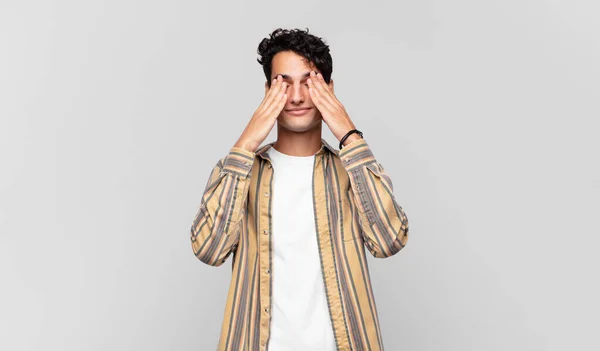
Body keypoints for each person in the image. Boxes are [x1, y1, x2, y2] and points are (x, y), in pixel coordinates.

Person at [190, 28, 409, 351]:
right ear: (267, 90)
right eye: (283, 83)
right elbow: (208, 249)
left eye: (309, 82)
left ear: (329, 89)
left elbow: (389, 240)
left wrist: (348, 133)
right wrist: (246, 142)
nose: (295, 97)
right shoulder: (239, 172)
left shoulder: (352, 172)